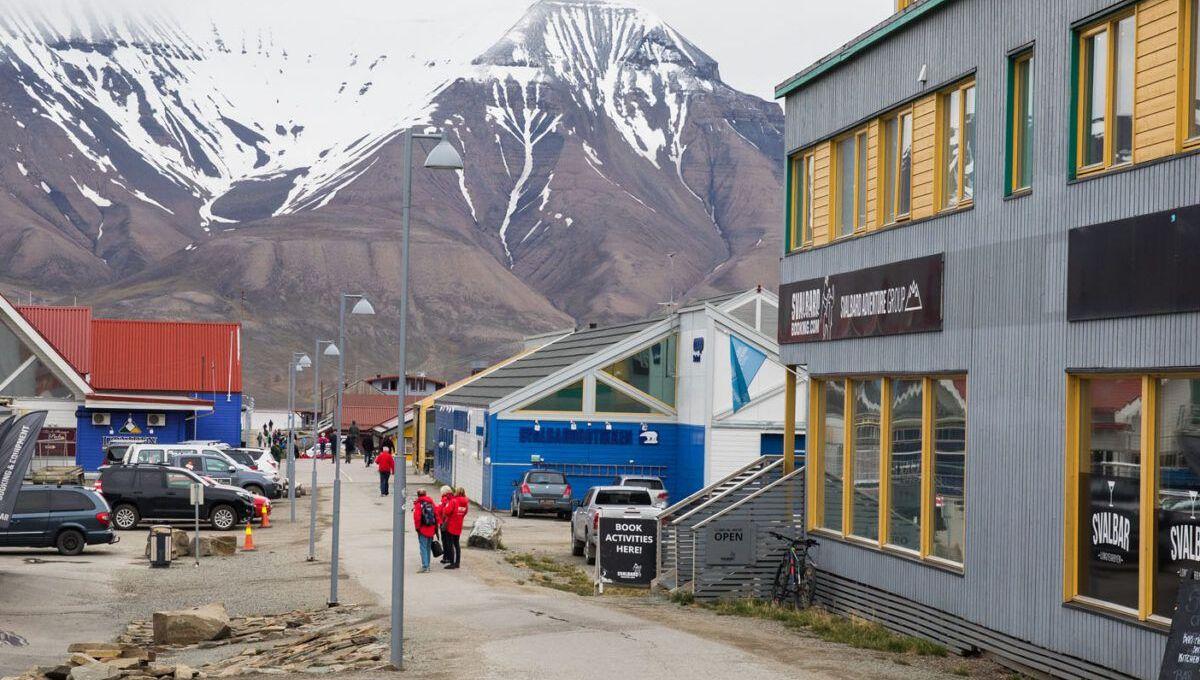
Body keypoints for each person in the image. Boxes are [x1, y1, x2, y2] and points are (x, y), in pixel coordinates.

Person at [412, 489, 439, 573]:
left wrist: (417, 528)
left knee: (423, 547)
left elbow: (417, 517)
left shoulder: (418, 504)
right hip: (431, 528)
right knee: (428, 547)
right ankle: (428, 565)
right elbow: (436, 514)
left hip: (423, 528)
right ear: (425, 494)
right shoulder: (431, 502)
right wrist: (436, 528)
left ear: (418, 495)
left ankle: (425, 566)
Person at [443, 486, 468, 569]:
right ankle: (457, 563)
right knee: (457, 544)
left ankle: (452, 563)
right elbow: (465, 512)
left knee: (450, 544)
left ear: (457, 492)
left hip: (451, 525)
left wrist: (446, 508)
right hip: (459, 525)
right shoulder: (465, 502)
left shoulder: (453, 501)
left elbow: (447, 511)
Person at [437, 485, 454, 564]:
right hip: (451, 523)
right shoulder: (452, 499)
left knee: (445, 541)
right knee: (450, 541)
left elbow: (440, 510)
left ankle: (446, 557)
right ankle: (450, 557)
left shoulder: (444, 500)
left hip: (444, 523)